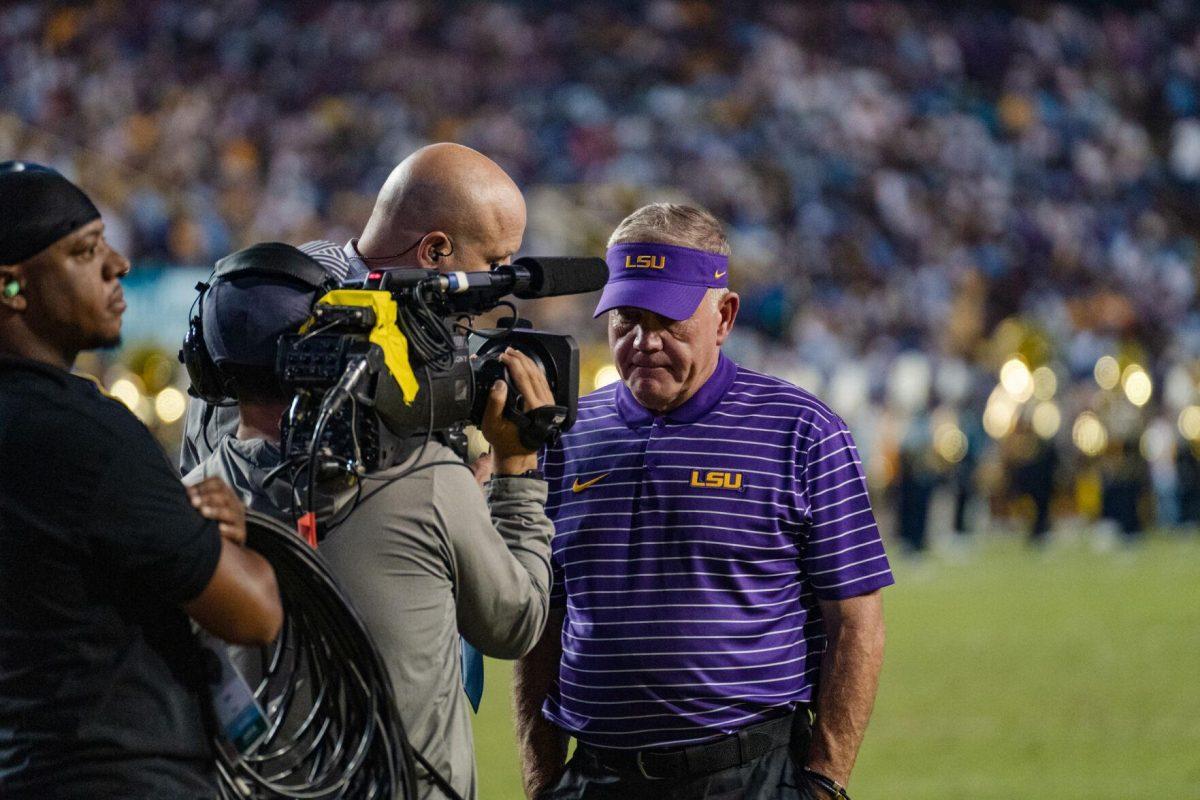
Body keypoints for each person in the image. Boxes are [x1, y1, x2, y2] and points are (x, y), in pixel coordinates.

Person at [515, 204, 894, 800]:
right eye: (626, 319)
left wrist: (824, 783)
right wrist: (542, 780)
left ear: (725, 315)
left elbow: (856, 623)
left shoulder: (801, 432)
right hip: (594, 776)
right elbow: (543, 621)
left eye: (667, 321)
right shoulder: (565, 436)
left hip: (749, 776)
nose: (644, 342)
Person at [182, 240, 555, 800]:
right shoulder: (425, 480)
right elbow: (515, 623)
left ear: (207, 367)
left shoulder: (184, 506)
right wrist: (516, 472)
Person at [0, 162, 283, 799]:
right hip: (122, 774)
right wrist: (222, 539)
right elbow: (254, 611)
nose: (118, 264)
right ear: (12, 287)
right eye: (83, 251)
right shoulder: (82, 431)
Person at [180, 141, 527, 474]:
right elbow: (256, 489)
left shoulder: (411, 318)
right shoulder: (286, 312)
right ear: (434, 251)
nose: (502, 283)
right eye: (494, 262)